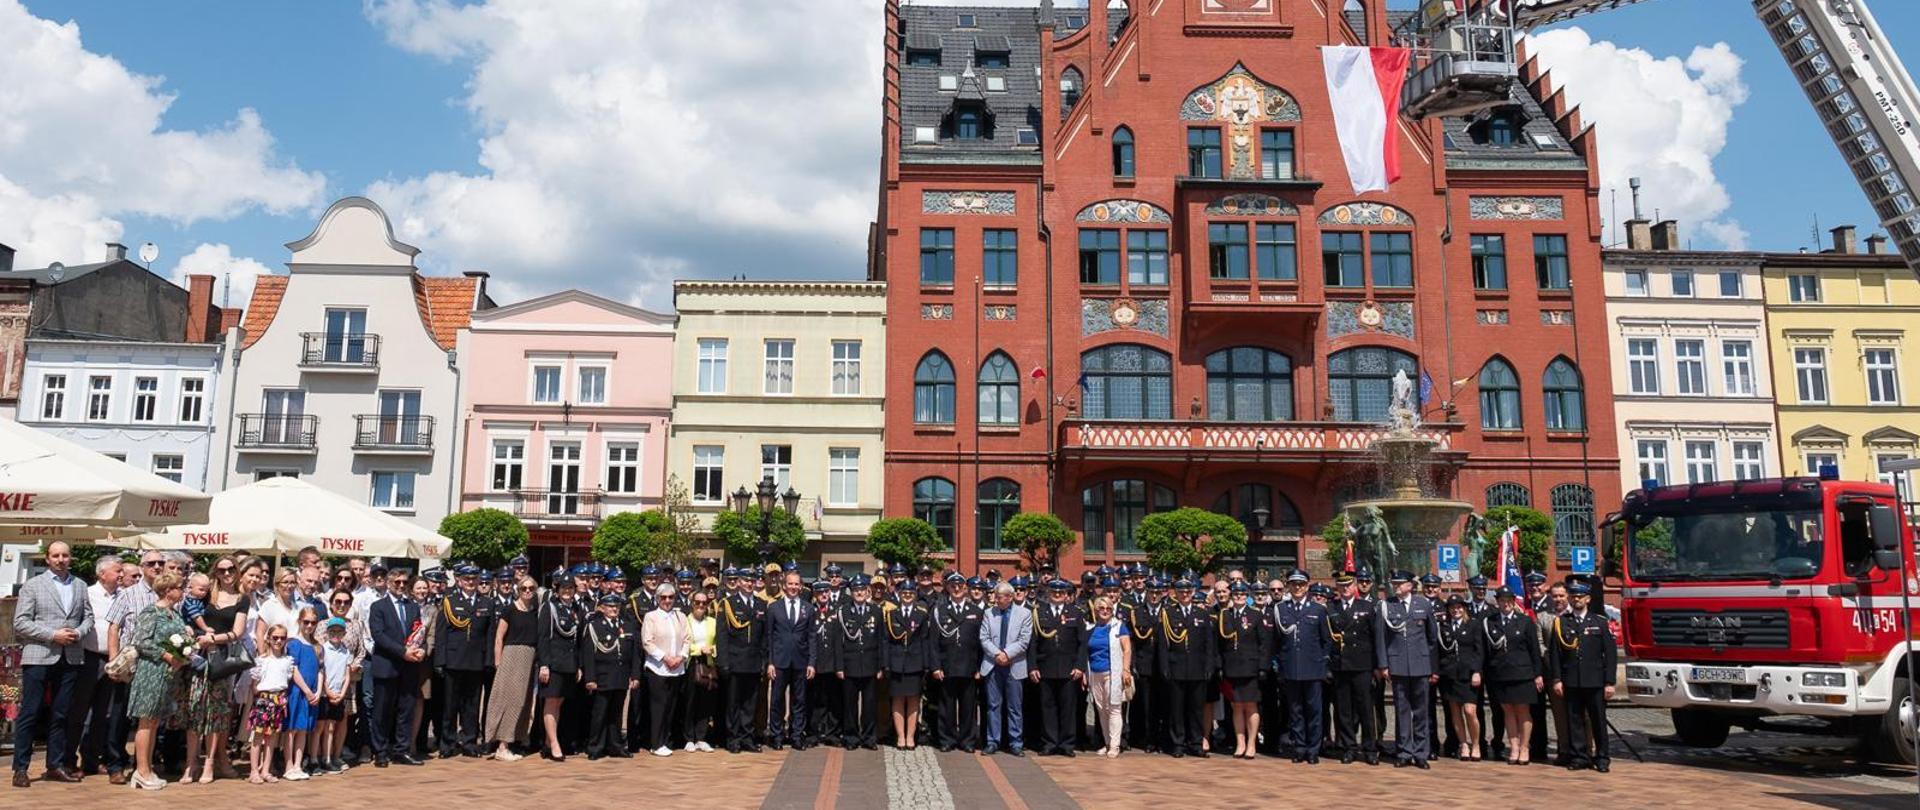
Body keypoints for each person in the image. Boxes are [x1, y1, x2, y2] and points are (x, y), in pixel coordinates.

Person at [10, 541, 93, 789]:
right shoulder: (33, 585)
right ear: (47, 559)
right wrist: (52, 634)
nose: (60, 559)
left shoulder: (79, 585)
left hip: (70, 656)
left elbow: (88, 616)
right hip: (39, 655)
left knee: (61, 713)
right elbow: (21, 622)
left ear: (71, 559)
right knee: (30, 712)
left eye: (65, 555)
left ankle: (55, 765)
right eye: (55, 555)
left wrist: (78, 632)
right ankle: (20, 768)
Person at [126, 571, 188, 791]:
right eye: (180, 587)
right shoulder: (151, 612)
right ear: (167, 590)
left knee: (154, 721)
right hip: (151, 671)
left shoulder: (174, 614)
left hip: (168, 674)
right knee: (146, 719)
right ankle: (141, 770)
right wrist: (166, 655)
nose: (183, 591)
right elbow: (141, 641)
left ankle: (147, 768)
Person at [1547, 581, 1616, 773]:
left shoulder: (1600, 622)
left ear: (1588, 599)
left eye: (1580, 596)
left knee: (1598, 721)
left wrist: (1609, 682)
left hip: (1594, 681)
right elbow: (1555, 654)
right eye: (1573, 596)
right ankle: (1580, 756)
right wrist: (1557, 679)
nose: (1576, 600)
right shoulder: (1561, 622)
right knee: (1574, 720)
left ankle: (1602, 757)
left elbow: (1610, 654)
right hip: (1571, 680)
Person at [1375, 570, 1439, 769]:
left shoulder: (1423, 604)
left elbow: (1432, 638)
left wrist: (1431, 666)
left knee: (1421, 711)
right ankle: (1403, 751)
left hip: (1420, 665)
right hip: (1398, 665)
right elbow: (1381, 638)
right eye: (1395, 583)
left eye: (1401, 584)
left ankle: (1421, 752)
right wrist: (1384, 665)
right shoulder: (1387, 606)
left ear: (1410, 586)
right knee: (1402, 710)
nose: (1397, 587)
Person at [433, 564, 495, 759]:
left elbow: (490, 635)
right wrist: (440, 661)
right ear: (459, 581)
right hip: (454, 660)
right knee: (450, 705)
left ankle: (469, 742)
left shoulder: (487, 603)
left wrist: (488, 660)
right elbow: (441, 634)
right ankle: (448, 743)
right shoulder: (449, 601)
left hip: (476, 661)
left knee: (472, 705)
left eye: (474, 579)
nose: (470, 582)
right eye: (467, 579)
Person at [74, 555, 126, 784]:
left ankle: (92, 760)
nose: (121, 574)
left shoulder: (123, 596)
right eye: (117, 571)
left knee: (103, 713)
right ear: (102, 573)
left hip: (115, 660)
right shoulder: (88, 593)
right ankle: (70, 759)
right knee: (81, 710)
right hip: (90, 657)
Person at [368, 568, 425, 768]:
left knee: (406, 709)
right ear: (389, 583)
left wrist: (421, 649)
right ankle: (380, 751)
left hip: (409, 667)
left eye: (404, 582)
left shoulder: (413, 606)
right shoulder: (378, 607)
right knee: (382, 711)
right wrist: (402, 652)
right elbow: (379, 635)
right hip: (387, 665)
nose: (401, 585)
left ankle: (402, 750)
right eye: (397, 582)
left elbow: (418, 632)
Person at [1483, 586, 1542, 766]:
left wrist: (1537, 674)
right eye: (1502, 600)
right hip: (1500, 674)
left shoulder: (1524, 621)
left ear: (1513, 601)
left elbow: (1534, 650)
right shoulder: (1490, 622)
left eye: (1509, 600)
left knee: (1523, 711)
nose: (1506, 603)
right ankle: (1514, 746)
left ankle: (1525, 747)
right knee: (1508, 710)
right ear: (1497, 602)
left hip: (1522, 673)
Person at [1029, 579, 1087, 757]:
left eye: (1061, 592)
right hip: (1046, 668)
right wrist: (1033, 666)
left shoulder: (1076, 613)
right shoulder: (1039, 613)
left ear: (1066, 595)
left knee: (1068, 709)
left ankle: (1067, 744)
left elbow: (1082, 643)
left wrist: (1080, 666)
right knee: (1048, 708)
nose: (1057, 595)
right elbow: (1033, 643)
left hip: (1069, 670)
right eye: (1054, 592)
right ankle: (1049, 743)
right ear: (1048, 593)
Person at [1277, 582, 1333, 764]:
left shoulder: (1318, 609)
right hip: (1291, 667)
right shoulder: (1281, 609)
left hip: (1313, 668)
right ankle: (1299, 747)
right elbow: (1278, 640)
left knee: (1314, 711)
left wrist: (1323, 665)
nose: (1297, 588)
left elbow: (1326, 640)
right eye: (1294, 584)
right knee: (1295, 711)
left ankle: (1313, 749)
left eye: (1301, 585)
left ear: (1306, 587)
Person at [930, 573, 984, 753]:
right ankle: (947, 739)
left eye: (960, 585)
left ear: (965, 588)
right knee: (947, 706)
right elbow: (934, 642)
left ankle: (967, 740)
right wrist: (936, 666)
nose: (957, 588)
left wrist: (979, 666)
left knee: (969, 706)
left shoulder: (976, 611)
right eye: (953, 585)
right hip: (948, 665)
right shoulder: (940, 610)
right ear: (948, 587)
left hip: (969, 666)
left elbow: (981, 642)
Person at [1216, 581, 1271, 760]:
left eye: (1242, 594)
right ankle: (1240, 743)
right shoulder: (1225, 614)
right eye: (1236, 594)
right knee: (1236, 706)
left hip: (1250, 667)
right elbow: (1220, 644)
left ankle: (1251, 743)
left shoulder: (1255, 615)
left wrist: (1263, 666)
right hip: (1231, 668)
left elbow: (1264, 643)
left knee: (1251, 705)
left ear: (1247, 595)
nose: (1239, 596)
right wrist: (1220, 666)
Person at [717, 568, 767, 753]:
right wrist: (723, 662)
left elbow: (764, 638)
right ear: (738, 582)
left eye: (752, 581)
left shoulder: (761, 604)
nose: (749, 584)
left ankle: (747, 737)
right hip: (735, 661)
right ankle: (733, 738)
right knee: (733, 703)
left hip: (754, 663)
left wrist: (764, 660)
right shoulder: (728, 604)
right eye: (745, 580)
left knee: (750, 703)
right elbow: (722, 636)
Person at [582, 593, 638, 760]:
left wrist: (635, 675)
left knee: (616, 713)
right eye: (610, 606)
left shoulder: (626, 625)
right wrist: (590, 678)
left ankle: (615, 745)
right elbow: (588, 655)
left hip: (621, 675)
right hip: (603, 676)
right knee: (600, 713)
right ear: (602, 608)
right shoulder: (595, 626)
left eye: (616, 606)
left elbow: (634, 654)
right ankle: (595, 747)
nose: (614, 609)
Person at [978, 582, 1031, 756]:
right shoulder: (988, 613)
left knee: (1015, 706)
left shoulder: (1025, 614)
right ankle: (993, 741)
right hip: (993, 665)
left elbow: (1024, 641)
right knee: (993, 705)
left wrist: (1007, 654)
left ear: (1009, 597)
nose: (995, 600)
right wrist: (997, 655)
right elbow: (984, 638)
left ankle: (1016, 742)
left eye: (999, 597)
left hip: (1014, 665)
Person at [764, 572, 814, 750]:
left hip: (801, 661)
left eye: (796, 584)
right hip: (779, 661)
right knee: (777, 700)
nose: (793, 587)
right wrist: (770, 662)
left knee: (799, 701)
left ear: (801, 586)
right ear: (784, 586)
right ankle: (777, 735)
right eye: (790, 584)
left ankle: (796, 735)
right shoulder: (774, 608)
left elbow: (811, 637)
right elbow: (769, 636)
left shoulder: (808, 608)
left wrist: (811, 662)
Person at [834, 576, 885, 750]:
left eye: (862, 590)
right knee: (850, 705)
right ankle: (851, 737)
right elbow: (838, 642)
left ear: (867, 591)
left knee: (870, 704)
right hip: (850, 665)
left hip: (870, 665)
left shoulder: (876, 611)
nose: (859, 593)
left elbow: (881, 640)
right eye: (856, 590)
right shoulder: (844, 612)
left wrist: (880, 666)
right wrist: (839, 666)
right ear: (851, 592)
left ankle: (869, 737)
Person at [638, 584, 688, 757]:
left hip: (677, 667)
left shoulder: (680, 616)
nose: (667, 601)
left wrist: (681, 656)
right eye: (664, 597)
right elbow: (647, 642)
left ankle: (666, 740)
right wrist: (665, 657)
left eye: (671, 597)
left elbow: (687, 639)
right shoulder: (651, 616)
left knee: (671, 706)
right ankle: (656, 743)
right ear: (658, 599)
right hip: (658, 668)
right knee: (658, 707)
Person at [535, 574, 580, 762]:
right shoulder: (549, 608)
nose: (567, 592)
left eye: (570, 588)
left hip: (569, 664)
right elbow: (543, 638)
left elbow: (576, 640)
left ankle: (548, 742)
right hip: (554, 664)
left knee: (559, 703)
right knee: (551, 702)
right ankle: (554, 744)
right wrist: (544, 664)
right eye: (564, 588)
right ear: (557, 590)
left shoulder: (574, 609)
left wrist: (578, 666)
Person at [883, 579, 933, 750]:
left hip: (915, 662)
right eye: (904, 593)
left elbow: (925, 641)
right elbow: (886, 641)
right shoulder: (891, 614)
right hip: (896, 662)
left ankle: (910, 737)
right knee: (897, 699)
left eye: (911, 593)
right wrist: (886, 663)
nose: (907, 596)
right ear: (899, 594)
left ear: (915, 594)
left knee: (913, 700)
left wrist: (926, 664)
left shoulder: (921, 614)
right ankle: (900, 737)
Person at [1436, 596, 1484, 762]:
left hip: (1468, 674)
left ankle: (1476, 744)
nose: (1456, 610)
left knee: (1470, 711)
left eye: (1459, 607)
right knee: (1454, 711)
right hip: (1449, 674)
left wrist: (1477, 671)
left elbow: (1479, 650)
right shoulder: (1444, 626)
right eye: (1452, 608)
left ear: (1464, 608)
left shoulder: (1473, 624)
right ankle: (1463, 744)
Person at [1121, 577, 1166, 754]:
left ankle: (1161, 739)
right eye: (1151, 592)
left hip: (1163, 665)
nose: (1154, 596)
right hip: (1144, 664)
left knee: (1163, 704)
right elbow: (1131, 641)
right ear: (1146, 592)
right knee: (1145, 705)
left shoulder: (1168, 611)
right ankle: (1147, 739)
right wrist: (1132, 664)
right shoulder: (1136, 612)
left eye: (1157, 592)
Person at [1084, 595, 1131, 758]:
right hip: (1095, 673)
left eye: (1108, 608)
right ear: (1096, 611)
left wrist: (1125, 669)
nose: (1105, 611)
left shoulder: (1119, 627)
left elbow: (1127, 649)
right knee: (1101, 709)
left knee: (1114, 707)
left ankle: (1115, 745)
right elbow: (1086, 653)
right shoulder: (1090, 629)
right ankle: (1107, 742)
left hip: (1113, 673)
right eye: (1101, 608)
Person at [248, 624, 294, 784]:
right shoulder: (262, 661)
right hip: (264, 699)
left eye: (282, 638)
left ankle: (266, 769)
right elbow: (254, 684)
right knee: (258, 736)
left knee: (272, 737)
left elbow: (287, 679)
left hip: (279, 700)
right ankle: (254, 770)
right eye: (275, 637)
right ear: (268, 638)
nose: (278, 641)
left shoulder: (288, 661)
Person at [282, 607, 324, 780]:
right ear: (299, 622)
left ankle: (298, 764)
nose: (309, 625)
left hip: (313, 693)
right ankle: (288, 765)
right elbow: (294, 669)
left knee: (303, 729)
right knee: (291, 729)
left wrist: (318, 691)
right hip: (297, 692)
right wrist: (306, 690)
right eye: (306, 622)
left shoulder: (318, 646)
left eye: (313, 622)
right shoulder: (294, 643)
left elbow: (321, 670)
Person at [683, 588, 720, 752]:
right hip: (691, 663)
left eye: (704, 603)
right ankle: (689, 738)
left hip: (708, 664)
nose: (700, 605)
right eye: (697, 602)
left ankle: (701, 737)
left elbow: (719, 642)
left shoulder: (712, 621)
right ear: (692, 603)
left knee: (706, 702)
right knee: (689, 701)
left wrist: (712, 649)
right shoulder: (684, 621)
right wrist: (698, 649)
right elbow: (681, 642)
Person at [316, 617, 354, 774]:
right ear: (327, 632)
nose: (336, 634)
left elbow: (347, 675)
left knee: (333, 727)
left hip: (339, 695)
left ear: (344, 633)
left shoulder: (346, 652)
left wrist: (342, 693)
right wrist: (328, 691)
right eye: (332, 631)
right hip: (326, 695)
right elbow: (322, 673)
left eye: (339, 631)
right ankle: (322, 758)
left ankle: (330, 757)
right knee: (324, 728)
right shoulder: (323, 649)